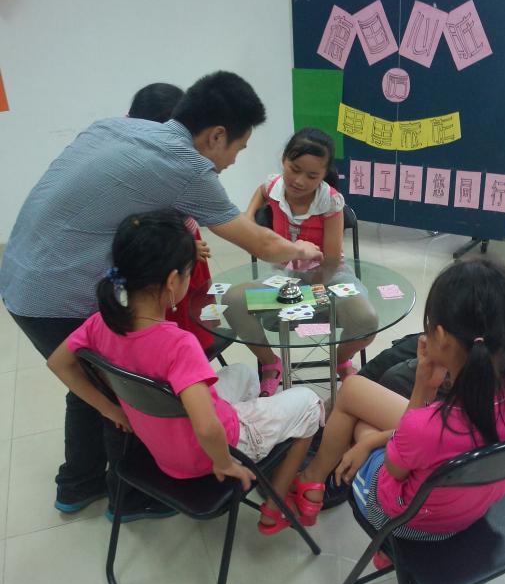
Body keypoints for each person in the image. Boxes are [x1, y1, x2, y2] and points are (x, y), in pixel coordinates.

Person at [0, 71, 324, 518]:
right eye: (239, 148)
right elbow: (261, 242)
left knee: (95, 382)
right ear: (216, 136)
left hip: (19, 275)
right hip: (55, 292)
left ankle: (77, 484)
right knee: (124, 392)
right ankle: (128, 497)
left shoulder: (114, 127)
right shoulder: (187, 167)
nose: (233, 161)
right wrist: (303, 249)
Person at [47, 212, 323, 529]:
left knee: (244, 374)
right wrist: (224, 463)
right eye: (190, 273)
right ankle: (275, 503)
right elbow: (206, 428)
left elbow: (58, 362)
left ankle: (261, 430)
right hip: (205, 455)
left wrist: (110, 410)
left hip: (161, 445)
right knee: (311, 402)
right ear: (171, 281)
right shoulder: (179, 345)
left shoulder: (100, 323)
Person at [288, 259, 505, 559]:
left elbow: (398, 463)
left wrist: (420, 389)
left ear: (441, 338)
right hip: (471, 509)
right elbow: (434, 436)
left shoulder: (427, 427)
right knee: (355, 391)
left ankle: (311, 482)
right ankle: (318, 478)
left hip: (407, 522)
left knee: (359, 419)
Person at [359, 158, 505, 397]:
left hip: (498, 361)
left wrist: (494, 327)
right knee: (392, 357)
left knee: (395, 379)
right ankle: (346, 404)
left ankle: (374, 409)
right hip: (480, 335)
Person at [225, 127, 378, 395]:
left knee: (366, 320)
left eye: (312, 176)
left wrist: (314, 289)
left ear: (324, 174)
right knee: (232, 301)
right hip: (285, 273)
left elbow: (331, 260)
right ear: (284, 159)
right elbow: (262, 191)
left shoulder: (331, 202)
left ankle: (341, 358)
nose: (299, 181)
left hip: (329, 275)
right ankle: (270, 363)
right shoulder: (274, 186)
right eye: (294, 169)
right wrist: (248, 217)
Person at [127, 82, 215, 351]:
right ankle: (185, 358)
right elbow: (144, 224)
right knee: (176, 320)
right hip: (168, 252)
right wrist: (183, 248)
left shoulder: (174, 154)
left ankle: (199, 350)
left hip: (186, 242)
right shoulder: (134, 167)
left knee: (199, 311)